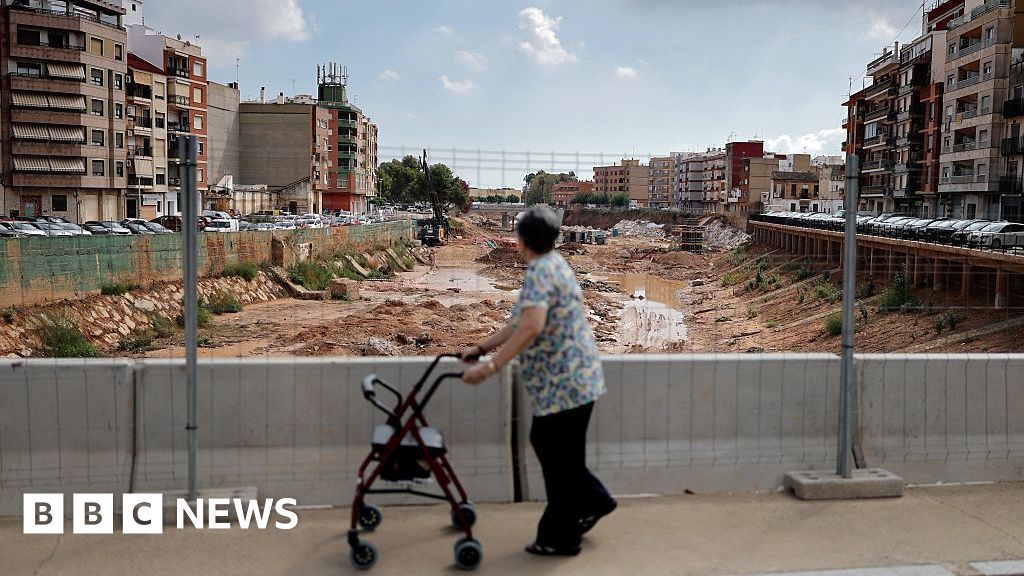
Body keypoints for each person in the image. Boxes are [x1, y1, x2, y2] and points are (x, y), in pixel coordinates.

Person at [462, 205, 616, 556]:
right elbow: (520, 321)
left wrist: (490, 367)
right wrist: (482, 346)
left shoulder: (540, 273)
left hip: (565, 384)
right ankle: (595, 502)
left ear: (522, 240)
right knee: (560, 454)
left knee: (555, 453)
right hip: (575, 382)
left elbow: (531, 326)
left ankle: (560, 536)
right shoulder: (555, 265)